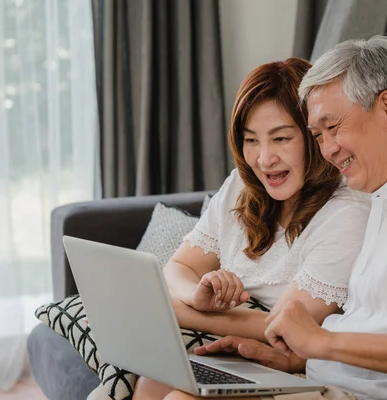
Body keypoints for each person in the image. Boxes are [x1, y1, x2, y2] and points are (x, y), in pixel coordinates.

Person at [177, 35, 387, 400]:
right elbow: (382, 327)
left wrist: (321, 343)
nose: (326, 150)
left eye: (333, 127)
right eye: (317, 135)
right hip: (328, 382)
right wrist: (300, 360)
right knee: (173, 384)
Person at [122, 58, 370, 400]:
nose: (264, 159)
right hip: (233, 345)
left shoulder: (346, 211)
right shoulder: (243, 185)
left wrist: (180, 310)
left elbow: (285, 328)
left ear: (315, 137)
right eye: (251, 140)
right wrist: (197, 295)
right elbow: (178, 268)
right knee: (149, 383)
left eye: (281, 138)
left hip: (291, 358)